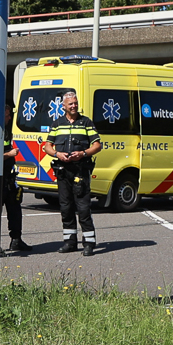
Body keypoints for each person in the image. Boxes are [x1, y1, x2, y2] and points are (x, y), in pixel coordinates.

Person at [41, 91, 99, 256]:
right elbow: (47, 146)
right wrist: (57, 154)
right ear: (63, 106)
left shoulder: (86, 122)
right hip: (62, 171)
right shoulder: (57, 124)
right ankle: (70, 242)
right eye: (70, 104)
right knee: (65, 208)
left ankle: (89, 243)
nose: (74, 106)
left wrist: (83, 153)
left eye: (75, 103)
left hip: (80, 170)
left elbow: (97, 145)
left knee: (83, 208)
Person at [2, 111, 29, 254]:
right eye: (7, 115)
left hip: (9, 179)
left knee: (15, 212)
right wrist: (9, 154)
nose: (10, 118)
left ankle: (16, 241)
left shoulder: (6, 132)